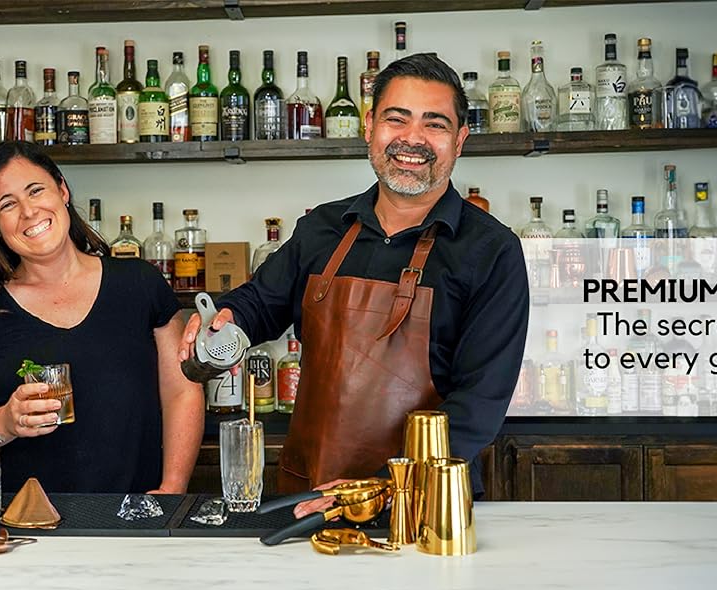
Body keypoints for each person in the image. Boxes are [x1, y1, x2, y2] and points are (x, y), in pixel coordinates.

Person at [180, 54, 529, 513]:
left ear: (460, 140)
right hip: (309, 494)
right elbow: (262, 302)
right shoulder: (323, 228)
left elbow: (478, 404)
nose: (412, 138)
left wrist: (380, 488)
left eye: (435, 124)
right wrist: (227, 319)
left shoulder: (491, 251)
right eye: (396, 119)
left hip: (423, 503)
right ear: (370, 127)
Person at [0, 141, 203, 495]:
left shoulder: (140, 283)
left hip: (135, 515)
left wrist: (173, 487)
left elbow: (182, 391)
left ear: (62, 191)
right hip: (22, 520)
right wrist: (3, 422)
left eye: (36, 191)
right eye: (8, 204)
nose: (28, 211)